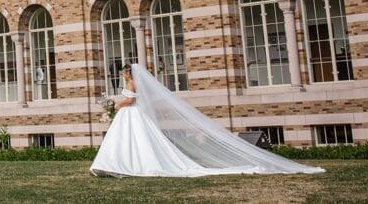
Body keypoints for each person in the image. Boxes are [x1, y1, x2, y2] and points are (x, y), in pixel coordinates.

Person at [90, 64, 325, 177]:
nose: (123, 76)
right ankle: (118, 165)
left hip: (130, 115)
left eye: (124, 73)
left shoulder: (131, 85)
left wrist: (115, 105)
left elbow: (130, 101)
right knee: (133, 142)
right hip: (130, 118)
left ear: (129, 74)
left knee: (134, 142)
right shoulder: (134, 84)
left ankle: (121, 165)